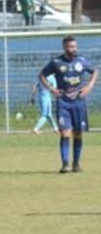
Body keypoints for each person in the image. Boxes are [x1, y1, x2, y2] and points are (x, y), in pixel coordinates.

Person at [40, 36, 97, 173]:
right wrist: (52, 89)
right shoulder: (56, 62)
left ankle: (76, 164)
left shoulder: (82, 61)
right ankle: (65, 165)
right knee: (65, 133)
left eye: (75, 46)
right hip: (63, 102)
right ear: (65, 47)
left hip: (79, 102)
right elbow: (42, 75)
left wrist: (90, 86)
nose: (74, 49)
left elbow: (95, 71)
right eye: (71, 47)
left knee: (78, 134)